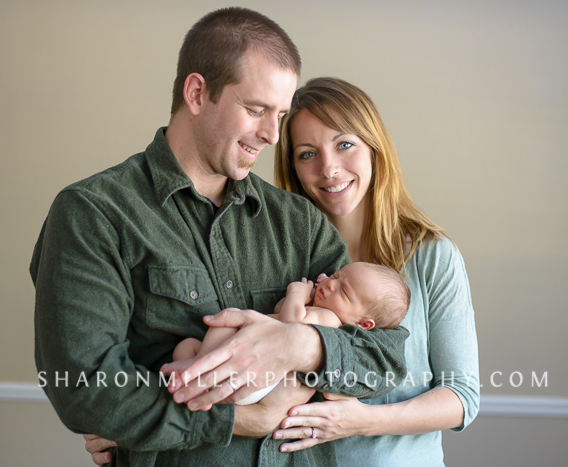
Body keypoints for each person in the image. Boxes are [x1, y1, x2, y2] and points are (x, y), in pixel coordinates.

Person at [32, 8, 408, 467]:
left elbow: (387, 359)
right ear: (196, 93)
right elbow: (85, 388)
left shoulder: (298, 222)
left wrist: (303, 346)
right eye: (256, 110)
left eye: (281, 115)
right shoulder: (94, 214)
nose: (273, 135)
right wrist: (241, 418)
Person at [268, 77, 480, 465]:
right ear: (293, 168)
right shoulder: (282, 257)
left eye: (344, 144)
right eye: (306, 153)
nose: (329, 169)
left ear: (374, 149)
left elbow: (462, 397)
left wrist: (362, 421)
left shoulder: (432, 256)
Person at [166, 262, 410, 406]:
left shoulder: (330, 319)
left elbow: (291, 324)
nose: (331, 284)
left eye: (343, 292)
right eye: (336, 276)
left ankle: (202, 371)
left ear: (363, 324)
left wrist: (296, 293)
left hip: (258, 378)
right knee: (186, 345)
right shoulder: (319, 309)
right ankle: (195, 367)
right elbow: (279, 310)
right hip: (246, 369)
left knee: (228, 319)